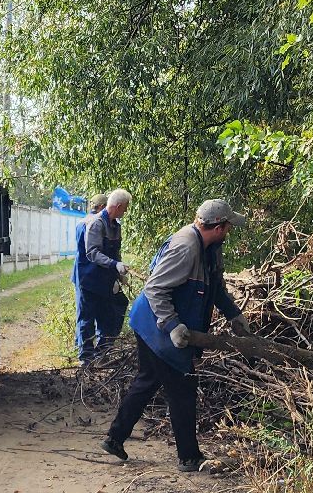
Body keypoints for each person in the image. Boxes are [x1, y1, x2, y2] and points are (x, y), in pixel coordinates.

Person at [100, 198, 250, 472]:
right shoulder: (186, 247)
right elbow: (155, 289)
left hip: (160, 325)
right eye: (228, 227)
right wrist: (172, 325)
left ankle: (114, 438)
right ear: (218, 227)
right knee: (183, 389)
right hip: (156, 326)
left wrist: (234, 315)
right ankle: (189, 457)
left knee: (148, 381)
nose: (229, 232)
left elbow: (215, 288)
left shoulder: (210, 249)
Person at [74, 189, 129, 363]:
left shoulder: (116, 226)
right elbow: (92, 253)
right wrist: (114, 264)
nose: (126, 211)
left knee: (108, 317)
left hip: (105, 281)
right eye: (125, 207)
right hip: (88, 280)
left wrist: (119, 273)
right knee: (86, 320)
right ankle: (86, 360)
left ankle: (102, 355)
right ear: (118, 206)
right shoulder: (96, 223)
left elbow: (115, 252)